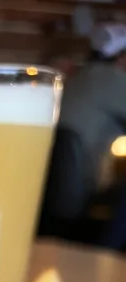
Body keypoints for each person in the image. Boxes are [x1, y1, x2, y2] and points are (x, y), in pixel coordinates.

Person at [40, 23, 126, 233]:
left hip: (52, 197)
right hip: (85, 191)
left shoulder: (77, 79)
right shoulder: (114, 80)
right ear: (122, 57)